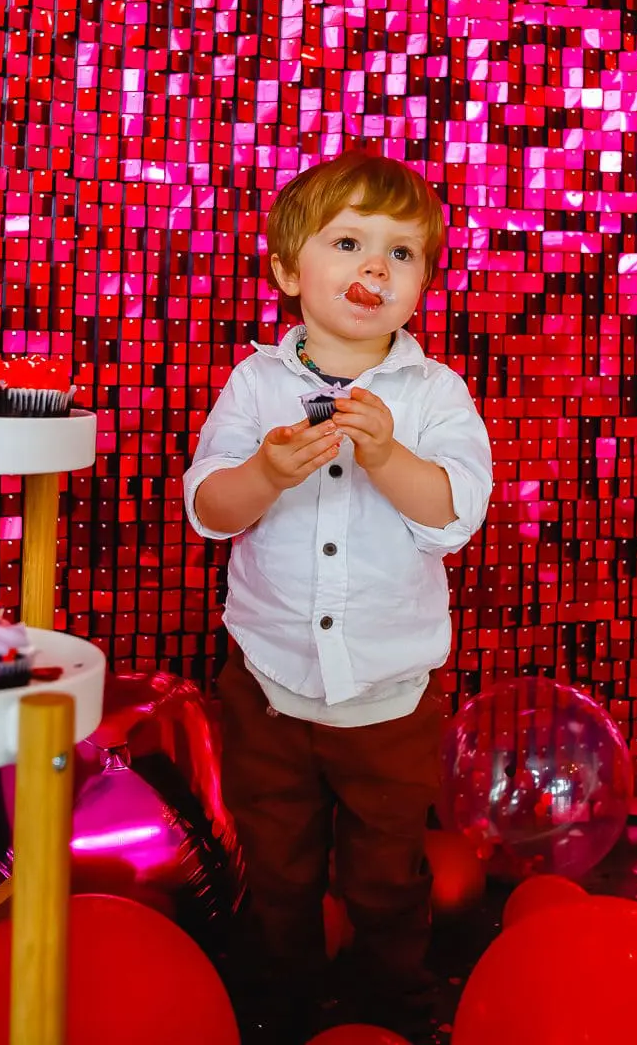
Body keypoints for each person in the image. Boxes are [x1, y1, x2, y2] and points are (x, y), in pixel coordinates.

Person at [184, 150, 493, 1044]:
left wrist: (389, 456)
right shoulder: (256, 384)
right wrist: (265, 473)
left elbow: (455, 514)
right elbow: (209, 508)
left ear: (422, 284)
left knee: (385, 875)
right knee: (276, 869)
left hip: (388, 699)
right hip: (269, 686)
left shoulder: (435, 393)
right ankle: (277, 1007)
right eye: (350, 243)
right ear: (289, 271)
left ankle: (391, 1009)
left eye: (401, 253)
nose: (375, 268)